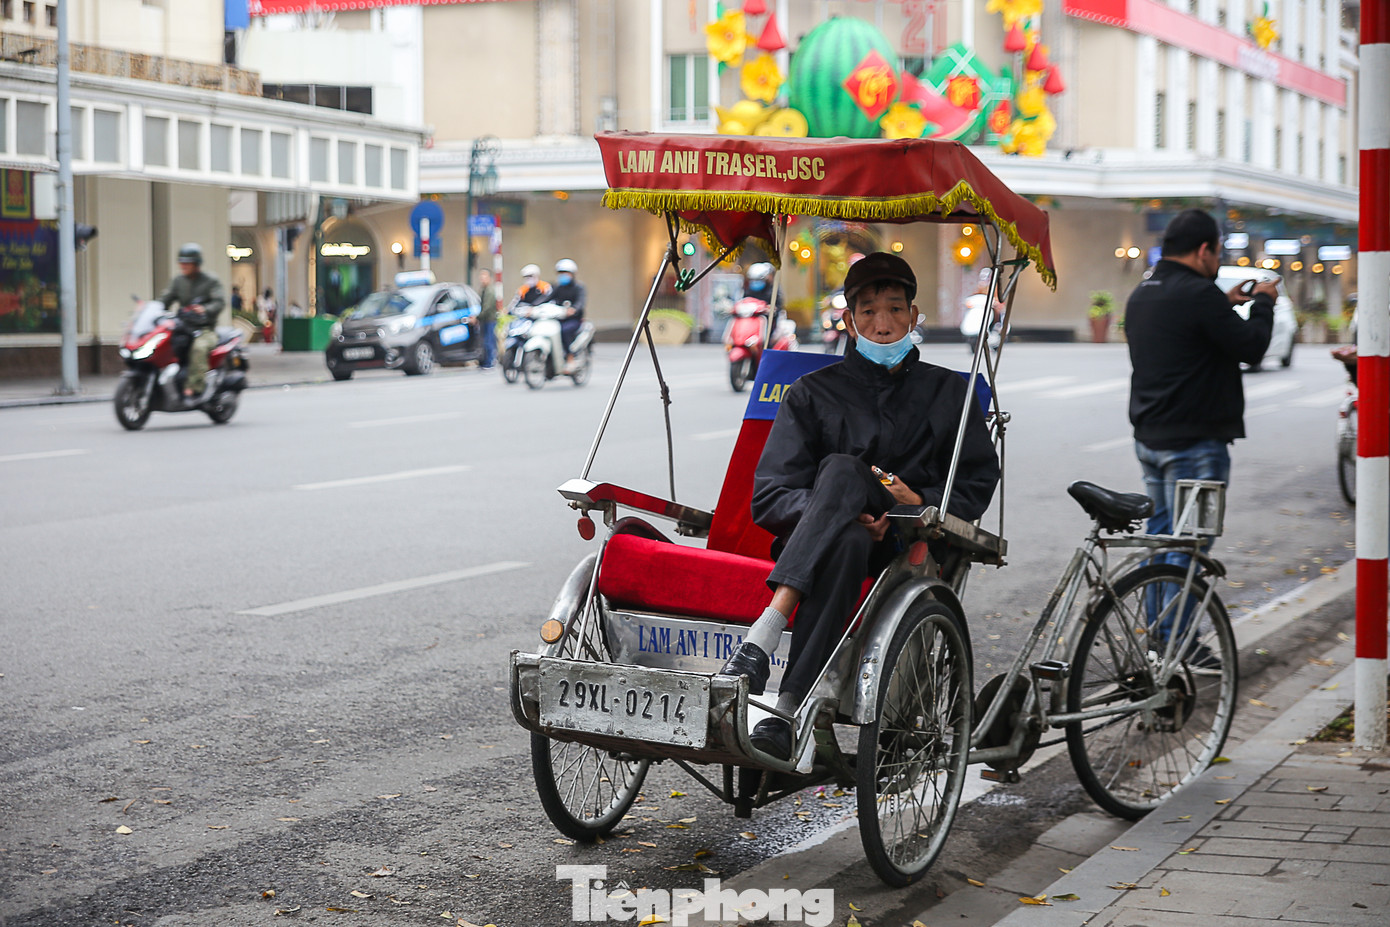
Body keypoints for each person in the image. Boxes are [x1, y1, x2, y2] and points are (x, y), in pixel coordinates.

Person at [718, 252, 1001, 759]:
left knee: (846, 471)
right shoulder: (811, 393)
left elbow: (977, 483)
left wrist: (920, 501)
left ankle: (762, 637)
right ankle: (786, 710)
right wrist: (843, 511)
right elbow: (772, 496)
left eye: (895, 309)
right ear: (848, 320)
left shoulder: (948, 392)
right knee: (845, 496)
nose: (884, 322)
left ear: (915, 317)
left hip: (904, 544)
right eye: (868, 311)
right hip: (826, 542)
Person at [1125, 209, 1275, 664]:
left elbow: (1187, 334)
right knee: (1188, 546)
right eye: (1219, 252)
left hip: (1150, 437)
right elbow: (1251, 347)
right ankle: (1177, 646)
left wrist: (1223, 303)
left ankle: (1158, 641)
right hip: (1194, 443)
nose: (1219, 260)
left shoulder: (1144, 292)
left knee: (1161, 540)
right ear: (1205, 249)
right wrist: (1263, 301)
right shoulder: (1198, 294)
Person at [157, 243, 226, 400]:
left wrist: (205, 309)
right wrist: (153, 308)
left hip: (205, 329)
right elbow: (165, 299)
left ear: (197, 263)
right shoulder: (178, 281)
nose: (183, 266)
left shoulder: (210, 281)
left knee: (199, 348)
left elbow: (219, 301)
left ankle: (194, 387)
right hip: (182, 327)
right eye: (181, 262)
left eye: (187, 263)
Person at [549, 258, 586, 371]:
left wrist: (573, 309)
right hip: (558, 318)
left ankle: (570, 358)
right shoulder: (557, 288)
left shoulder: (578, 288)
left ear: (572, 274)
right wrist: (533, 307)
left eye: (565, 273)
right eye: (560, 273)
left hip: (573, 320)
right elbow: (546, 298)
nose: (563, 276)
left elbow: (580, 302)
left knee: (564, 331)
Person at [477, 268, 498, 369]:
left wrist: (477, 317)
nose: (482, 279)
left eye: (484, 276)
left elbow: (487, 307)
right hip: (485, 320)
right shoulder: (483, 290)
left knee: (489, 340)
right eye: (481, 276)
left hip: (489, 320)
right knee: (485, 341)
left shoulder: (490, 291)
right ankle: (486, 361)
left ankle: (490, 361)